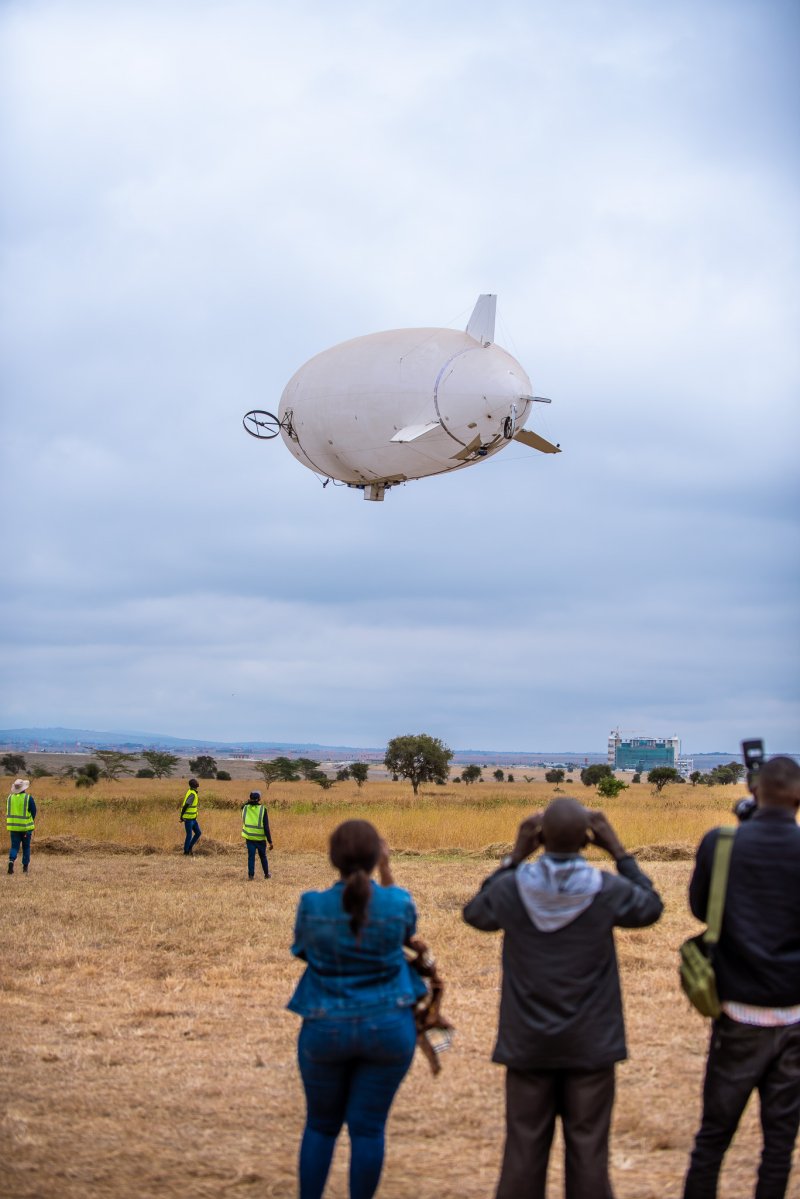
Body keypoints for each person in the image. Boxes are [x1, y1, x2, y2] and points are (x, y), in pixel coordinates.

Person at [463, 797, 663, 1199]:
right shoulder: (606, 890)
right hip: (591, 1045)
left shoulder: (513, 890)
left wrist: (514, 858)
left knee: (522, 1154)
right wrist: (620, 852)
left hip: (528, 1044)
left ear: (539, 840)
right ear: (589, 840)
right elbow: (651, 907)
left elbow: (476, 913)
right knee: (589, 1153)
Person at [288, 819, 427, 1199]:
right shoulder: (396, 902)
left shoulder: (311, 905)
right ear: (376, 856)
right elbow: (406, 928)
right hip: (389, 1027)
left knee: (320, 1126)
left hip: (323, 1026)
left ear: (333, 858)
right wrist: (388, 870)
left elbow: (302, 951)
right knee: (368, 1129)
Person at [683, 755, 800, 1199]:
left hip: (736, 1014)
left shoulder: (721, 843)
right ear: (798, 797)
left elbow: (700, 909)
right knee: (779, 1146)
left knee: (712, 1138)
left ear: (754, 792)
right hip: (793, 1017)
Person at [7, 778, 37, 875]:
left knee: (14, 847)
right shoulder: (28, 798)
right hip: (25, 828)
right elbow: (34, 812)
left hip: (13, 828)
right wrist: (30, 821)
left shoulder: (10, 798)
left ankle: (11, 861)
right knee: (26, 847)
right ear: (24, 788)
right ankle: (25, 868)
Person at [242, 790, 273, 879]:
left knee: (251, 857)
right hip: (260, 839)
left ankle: (251, 875)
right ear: (259, 799)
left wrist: (249, 801)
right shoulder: (263, 809)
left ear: (250, 799)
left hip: (249, 837)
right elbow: (266, 827)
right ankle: (266, 874)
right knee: (263, 856)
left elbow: (243, 805)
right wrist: (270, 841)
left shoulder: (245, 808)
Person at [180, 777, 201, 855]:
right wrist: (182, 816)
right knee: (189, 835)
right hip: (188, 819)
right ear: (194, 785)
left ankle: (189, 847)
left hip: (193, 818)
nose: (197, 783)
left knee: (198, 833)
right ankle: (186, 851)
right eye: (196, 782)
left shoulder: (193, 792)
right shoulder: (192, 794)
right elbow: (186, 805)